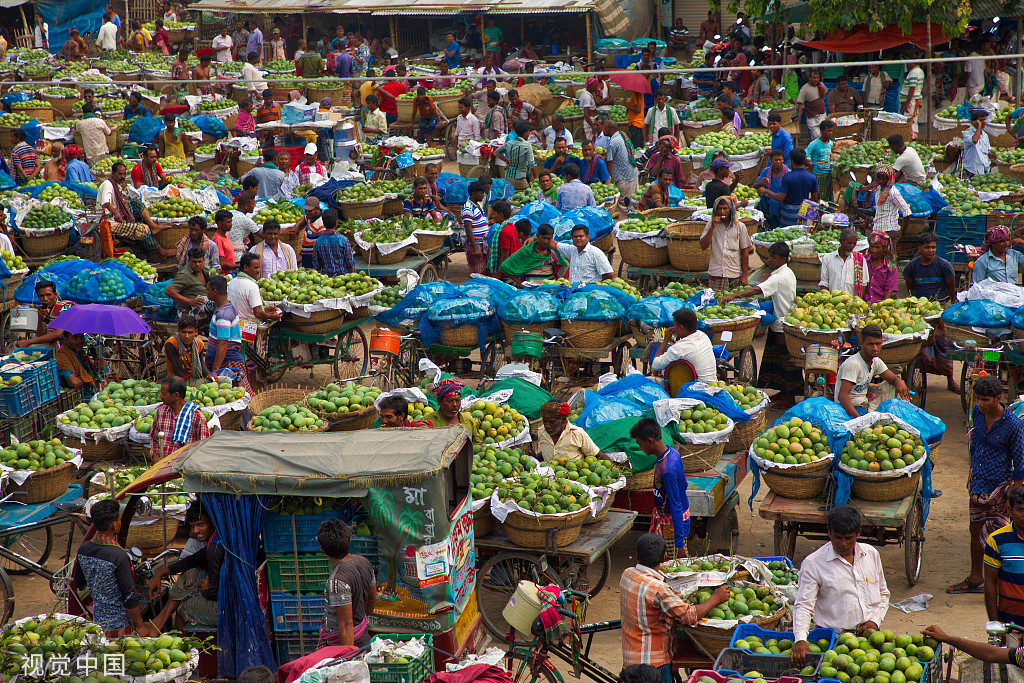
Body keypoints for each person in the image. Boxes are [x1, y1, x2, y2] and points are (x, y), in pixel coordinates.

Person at [948, 376, 1024, 594]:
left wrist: (1014, 497)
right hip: (978, 483)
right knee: (975, 529)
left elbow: (1019, 465)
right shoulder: (976, 413)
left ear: (997, 399)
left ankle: (1006, 584)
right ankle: (975, 578)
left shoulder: (1013, 425)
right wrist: (972, 474)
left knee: (1002, 537)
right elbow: (975, 445)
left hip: (1000, 487)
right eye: (978, 399)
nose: (980, 404)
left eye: (985, 400)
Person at [790, 505, 890, 664]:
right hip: (832, 641)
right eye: (837, 537)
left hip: (868, 639)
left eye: (848, 538)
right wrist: (800, 640)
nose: (842, 543)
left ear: (858, 533)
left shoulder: (871, 554)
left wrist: (875, 621)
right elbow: (803, 605)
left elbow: (883, 594)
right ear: (829, 531)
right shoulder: (813, 563)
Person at [722, 242, 799, 409]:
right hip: (779, 321)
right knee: (777, 361)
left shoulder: (779, 277)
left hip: (781, 324)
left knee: (786, 363)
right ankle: (783, 392)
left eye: (774, 257)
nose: (770, 260)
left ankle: (790, 399)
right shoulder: (787, 272)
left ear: (783, 259)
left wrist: (732, 296)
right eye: (770, 256)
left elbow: (757, 290)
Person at [75, 500, 158, 637]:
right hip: (120, 627)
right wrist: (140, 625)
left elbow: (79, 583)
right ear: (113, 524)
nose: (120, 522)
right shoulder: (119, 556)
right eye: (119, 519)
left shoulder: (84, 549)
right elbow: (129, 596)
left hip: (98, 624)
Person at [147, 499, 224, 631]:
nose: (196, 531)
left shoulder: (215, 548)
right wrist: (160, 574)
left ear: (213, 522)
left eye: (201, 525)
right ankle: (157, 625)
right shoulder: (218, 540)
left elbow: (214, 592)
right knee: (190, 573)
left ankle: (182, 647)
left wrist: (201, 591)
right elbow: (192, 560)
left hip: (228, 609)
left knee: (183, 609)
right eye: (193, 526)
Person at [627, 424, 696, 561]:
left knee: (675, 567)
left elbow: (675, 506)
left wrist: (679, 543)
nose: (640, 449)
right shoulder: (673, 454)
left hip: (671, 524)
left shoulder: (667, 469)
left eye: (640, 444)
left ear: (650, 441)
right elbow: (684, 484)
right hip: (673, 518)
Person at [904, 233, 959, 394]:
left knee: (943, 343)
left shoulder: (943, 265)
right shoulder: (912, 267)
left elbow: (951, 289)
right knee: (916, 344)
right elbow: (910, 288)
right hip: (918, 310)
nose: (931, 250)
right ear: (919, 248)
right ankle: (915, 376)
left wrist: (940, 307)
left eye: (933, 247)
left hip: (938, 309)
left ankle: (950, 379)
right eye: (927, 247)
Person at [318, 518, 377, 647]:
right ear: (348, 540)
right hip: (362, 636)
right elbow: (373, 598)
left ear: (322, 548)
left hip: (345, 644)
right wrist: (360, 619)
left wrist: (348, 660)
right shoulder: (364, 562)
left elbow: (346, 625)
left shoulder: (337, 580)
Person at [97, 162, 174, 261]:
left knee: (136, 203)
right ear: (113, 173)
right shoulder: (108, 184)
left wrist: (125, 202)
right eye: (119, 174)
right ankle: (161, 251)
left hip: (117, 215)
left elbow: (116, 200)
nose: (122, 176)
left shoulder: (116, 184)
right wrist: (116, 212)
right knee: (143, 229)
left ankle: (154, 226)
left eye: (124, 174)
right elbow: (106, 202)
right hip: (109, 222)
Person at [836, 324, 910, 417]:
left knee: (893, 386)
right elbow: (842, 396)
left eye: (878, 344)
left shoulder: (875, 361)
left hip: (864, 404)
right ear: (862, 344)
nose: (875, 348)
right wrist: (859, 419)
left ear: (882, 343)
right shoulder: (853, 364)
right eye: (870, 344)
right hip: (850, 409)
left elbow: (893, 379)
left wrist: (900, 382)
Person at [982, 486, 1024, 625]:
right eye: (1020, 509)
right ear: (1010, 511)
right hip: (1010, 622)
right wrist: (994, 623)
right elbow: (990, 583)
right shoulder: (996, 540)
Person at [148, 375, 212, 460]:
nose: (161, 396)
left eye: (164, 394)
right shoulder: (160, 412)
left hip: (185, 467)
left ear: (176, 395)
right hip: (162, 466)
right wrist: (155, 455)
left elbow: (204, 446)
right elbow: (154, 438)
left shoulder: (196, 416)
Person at [206, 275, 250, 391]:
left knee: (235, 397)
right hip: (227, 361)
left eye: (207, 289)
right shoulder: (227, 307)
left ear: (215, 291)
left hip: (227, 364)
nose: (206, 292)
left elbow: (223, 344)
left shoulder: (223, 315)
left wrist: (215, 370)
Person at [650, 307, 717, 381]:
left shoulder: (680, 348)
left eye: (675, 325)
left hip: (696, 389)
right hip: (712, 384)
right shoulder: (703, 336)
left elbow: (655, 365)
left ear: (681, 328)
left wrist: (666, 340)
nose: (673, 328)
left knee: (649, 380)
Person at [701, 196, 752, 293]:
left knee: (734, 304)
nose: (722, 212)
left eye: (725, 208)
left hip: (734, 273)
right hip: (716, 273)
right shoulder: (710, 224)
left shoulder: (740, 227)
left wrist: (744, 275)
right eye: (719, 209)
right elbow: (703, 246)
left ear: (731, 210)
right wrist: (712, 227)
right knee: (717, 303)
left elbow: (745, 252)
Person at [761, 148, 817, 227]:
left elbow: (781, 197)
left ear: (792, 162)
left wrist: (766, 191)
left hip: (787, 214)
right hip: (802, 214)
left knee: (786, 236)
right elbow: (814, 199)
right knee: (800, 236)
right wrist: (803, 207)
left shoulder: (787, 177)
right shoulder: (811, 177)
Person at [536, 400, 606, 462]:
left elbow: (596, 454)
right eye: (544, 421)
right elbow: (548, 451)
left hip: (573, 475)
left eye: (552, 422)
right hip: (549, 475)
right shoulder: (541, 431)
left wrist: (613, 468)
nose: (547, 425)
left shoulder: (577, 433)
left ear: (564, 421)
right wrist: (534, 456)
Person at [500, 223, 567, 284]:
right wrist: (520, 283)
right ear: (537, 236)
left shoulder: (553, 253)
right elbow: (505, 267)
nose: (546, 241)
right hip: (529, 290)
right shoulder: (526, 251)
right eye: (543, 238)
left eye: (548, 239)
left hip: (548, 290)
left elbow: (563, 265)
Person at [818, 228, 868, 296]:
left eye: (854, 243)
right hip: (833, 303)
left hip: (852, 303)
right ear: (841, 241)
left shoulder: (860, 260)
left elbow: (864, 284)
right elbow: (824, 283)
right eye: (849, 243)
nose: (852, 246)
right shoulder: (827, 259)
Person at [166, 247, 213, 320]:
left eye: (200, 262)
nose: (197, 264)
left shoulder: (206, 271)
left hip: (202, 307)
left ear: (204, 261)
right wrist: (190, 301)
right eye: (194, 262)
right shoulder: (185, 274)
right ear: (189, 261)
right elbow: (169, 291)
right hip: (187, 312)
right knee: (213, 306)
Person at [164, 315, 211, 386]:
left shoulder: (199, 344)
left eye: (190, 332)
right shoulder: (171, 344)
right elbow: (178, 370)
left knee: (225, 380)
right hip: (178, 381)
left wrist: (209, 375)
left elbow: (201, 364)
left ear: (196, 332)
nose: (187, 336)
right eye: (184, 332)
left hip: (194, 378)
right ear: (178, 331)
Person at [605, 119, 639, 203]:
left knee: (624, 204)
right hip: (633, 173)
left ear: (611, 130)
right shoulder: (621, 135)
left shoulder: (612, 143)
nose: (603, 130)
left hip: (623, 178)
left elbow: (609, 161)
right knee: (633, 201)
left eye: (604, 128)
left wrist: (608, 179)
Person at [312, 209, 354, 276]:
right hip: (344, 278)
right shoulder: (343, 240)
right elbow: (350, 263)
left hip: (327, 279)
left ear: (323, 223)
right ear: (336, 223)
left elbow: (316, 264)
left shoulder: (318, 242)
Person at [496, 120, 536, 191]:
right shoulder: (527, 146)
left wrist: (507, 160)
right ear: (525, 133)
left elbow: (497, 152)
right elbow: (531, 164)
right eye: (529, 132)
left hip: (508, 178)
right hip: (520, 180)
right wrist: (536, 179)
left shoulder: (509, 143)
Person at [754, 149, 788, 229]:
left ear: (783, 160)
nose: (778, 162)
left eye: (780, 160)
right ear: (771, 160)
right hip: (770, 206)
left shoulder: (787, 173)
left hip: (782, 206)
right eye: (776, 160)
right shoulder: (766, 172)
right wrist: (760, 183)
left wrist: (766, 191)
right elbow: (754, 186)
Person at [488, 210, 527, 276]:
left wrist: (497, 275)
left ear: (501, 215)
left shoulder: (504, 231)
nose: (493, 216)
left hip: (506, 272)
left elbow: (504, 256)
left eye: (494, 214)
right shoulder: (512, 227)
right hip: (513, 268)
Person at [462, 182, 490, 275]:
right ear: (474, 194)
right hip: (476, 244)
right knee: (477, 273)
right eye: (481, 193)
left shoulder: (477, 206)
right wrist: (475, 248)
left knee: (485, 271)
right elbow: (468, 229)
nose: (483, 195)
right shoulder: (468, 208)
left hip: (483, 243)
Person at [805, 119, 835, 202]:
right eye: (828, 131)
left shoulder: (831, 144)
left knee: (828, 199)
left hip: (829, 174)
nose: (830, 133)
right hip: (818, 175)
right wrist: (810, 165)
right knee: (819, 199)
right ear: (822, 131)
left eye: (831, 131)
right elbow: (803, 155)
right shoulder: (814, 144)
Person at [866, 232, 898, 303]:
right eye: (872, 247)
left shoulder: (890, 268)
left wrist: (882, 307)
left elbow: (888, 290)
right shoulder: (863, 261)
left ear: (884, 248)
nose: (874, 250)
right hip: (863, 302)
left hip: (879, 303)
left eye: (877, 247)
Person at [795, 70, 828, 140]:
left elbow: (825, 91)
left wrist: (819, 100)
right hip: (812, 117)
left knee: (825, 136)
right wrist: (798, 117)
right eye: (814, 77)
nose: (816, 79)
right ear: (809, 78)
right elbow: (800, 103)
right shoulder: (804, 89)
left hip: (822, 116)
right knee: (817, 137)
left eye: (817, 77)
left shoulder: (821, 85)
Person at [900, 56, 926, 140]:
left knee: (909, 118)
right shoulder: (918, 71)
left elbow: (912, 88)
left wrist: (907, 103)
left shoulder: (914, 72)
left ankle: (911, 137)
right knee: (913, 118)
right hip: (914, 99)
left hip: (911, 100)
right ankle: (912, 137)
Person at [963, 109, 992, 177]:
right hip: (972, 170)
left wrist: (995, 156)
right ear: (974, 122)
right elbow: (974, 140)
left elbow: (987, 152)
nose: (984, 122)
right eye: (981, 120)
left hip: (984, 169)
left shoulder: (985, 135)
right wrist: (979, 126)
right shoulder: (967, 134)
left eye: (984, 119)